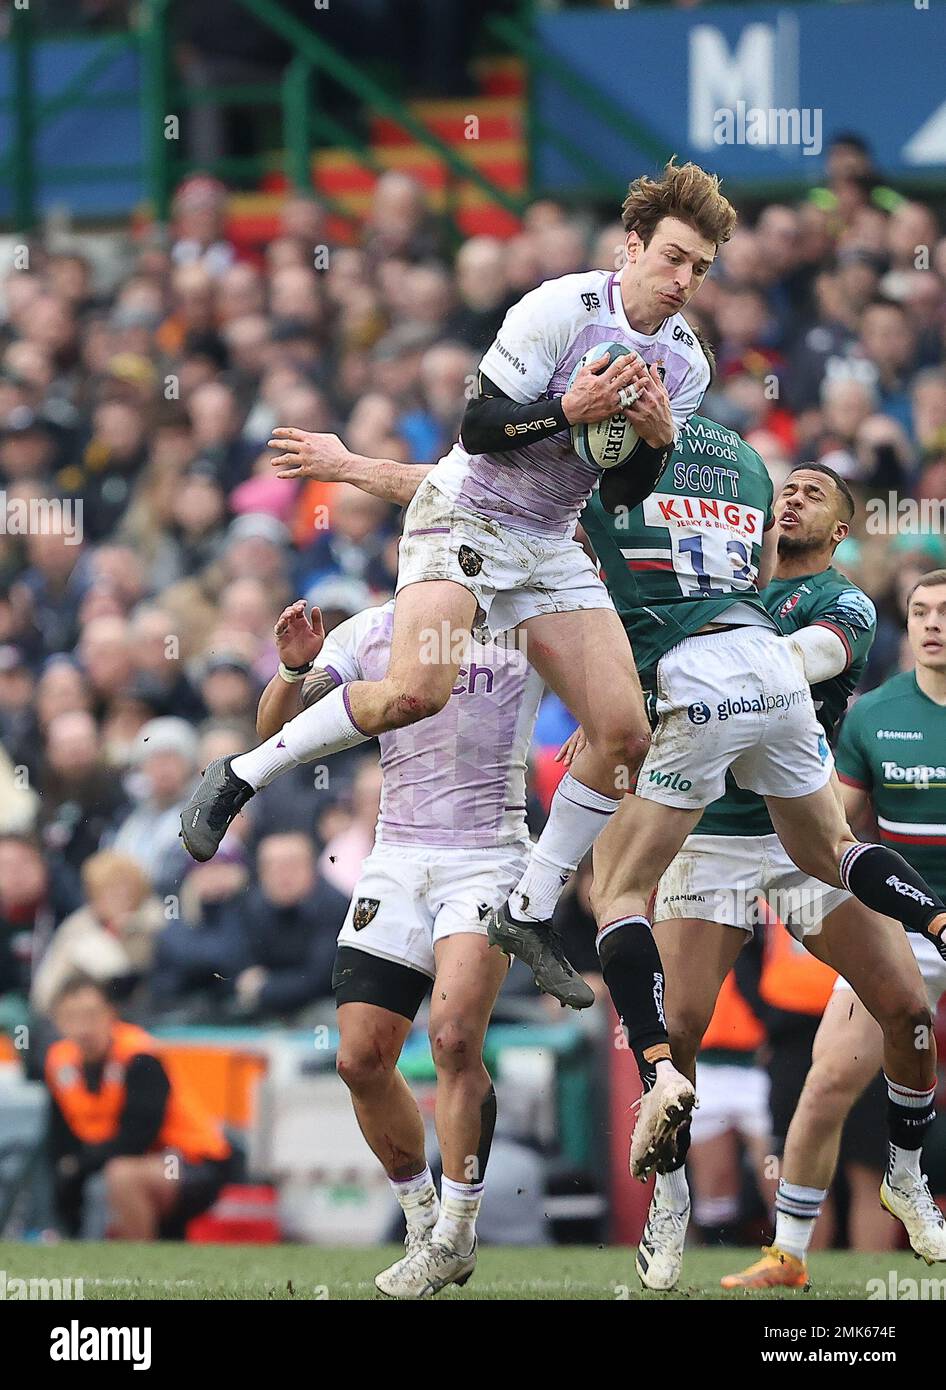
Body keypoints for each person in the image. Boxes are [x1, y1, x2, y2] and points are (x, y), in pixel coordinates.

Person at [181, 160, 735, 1015]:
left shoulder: (685, 363)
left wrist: (657, 446)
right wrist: (567, 412)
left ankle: (529, 907)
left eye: (700, 268)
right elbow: (476, 428)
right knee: (414, 691)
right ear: (632, 246)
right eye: (673, 258)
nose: (684, 281)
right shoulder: (559, 309)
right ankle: (242, 774)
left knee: (626, 734)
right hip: (467, 512)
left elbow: (622, 494)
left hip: (549, 542)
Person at [251, 593, 544, 1297]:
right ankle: (421, 1216)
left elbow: (610, 691)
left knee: (452, 1039)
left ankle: (457, 1231)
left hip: (489, 855)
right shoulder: (376, 629)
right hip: (396, 857)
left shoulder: (531, 620)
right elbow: (271, 734)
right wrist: (292, 671)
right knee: (359, 1059)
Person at [722, 569, 946, 1289]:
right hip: (910, 925)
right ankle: (789, 1254)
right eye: (921, 611)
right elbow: (833, 834)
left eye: (945, 611)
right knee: (825, 1084)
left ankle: (904, 1185)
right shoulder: (875, 715)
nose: (933, 623)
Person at [45, 977, 232, 1239]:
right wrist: (71, 1168)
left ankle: (140, 1263)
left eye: (90, 1015)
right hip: (130, 1160)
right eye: (72, 1017)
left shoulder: (139, 1056)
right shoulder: (60, 1063)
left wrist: (81, 1164)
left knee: (121, 1176)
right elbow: (61, 1138)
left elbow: (138, 1137)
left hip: (189, 1160)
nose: (83, 1028)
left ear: (111, 1014)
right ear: (58, 1021)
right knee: (82, 1177)